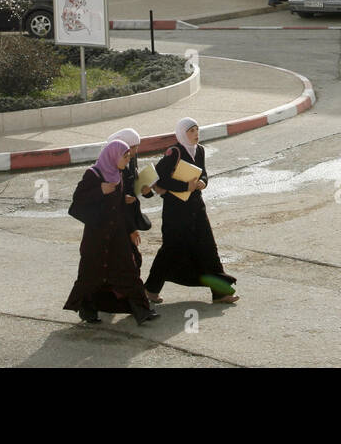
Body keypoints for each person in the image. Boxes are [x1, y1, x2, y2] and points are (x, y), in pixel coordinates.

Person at [63, 129, 159, 325]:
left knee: (129, 270)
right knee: (91, 274)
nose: (127, 162)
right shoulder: (93, 175)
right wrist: (100, 191)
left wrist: (125, 202)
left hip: (116, 234)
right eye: (125, 157)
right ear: (113, 155)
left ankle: (142, 310)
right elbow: (77, 201)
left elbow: (118, 205)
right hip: (96, 236)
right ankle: (86, 309)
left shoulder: (118, 174)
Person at [145, 117, 239, 305]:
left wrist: (203, 181)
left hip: (196, 208)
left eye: (197, 130)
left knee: (208, 249)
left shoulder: (200, 150)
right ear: (181, 133)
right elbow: (159, 180)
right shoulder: (174, 152)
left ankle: (220, 293)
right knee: (170, 250)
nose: (196, 134)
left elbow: (202, 172)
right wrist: (184, 186)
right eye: (191, 131)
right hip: (176, 211)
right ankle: (150, 290)